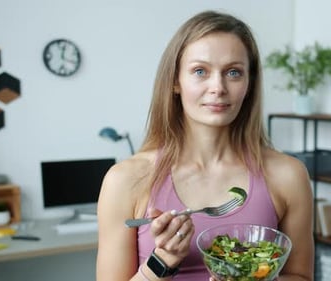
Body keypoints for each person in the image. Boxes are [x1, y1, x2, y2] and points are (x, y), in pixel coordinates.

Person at [96, 10, 314, 281]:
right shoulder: (125, 180)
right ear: (176, 81)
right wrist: (163, 261)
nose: (218, 87)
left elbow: (301, 277)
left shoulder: (288, 175)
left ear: (249, 83)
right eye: (200, 71)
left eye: (233, 72)